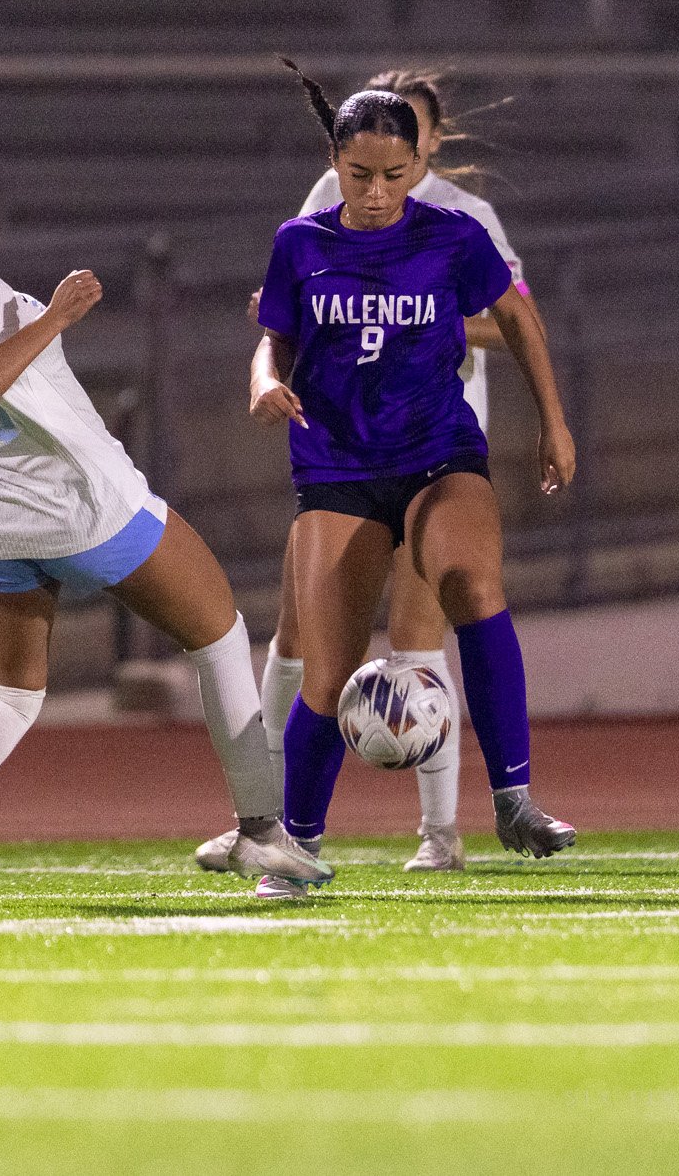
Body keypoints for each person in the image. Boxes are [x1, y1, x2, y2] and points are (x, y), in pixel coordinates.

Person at [0, 153, 329, 908]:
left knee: (10, 697)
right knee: (219, 632)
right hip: (85, 507)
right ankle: (259, 828)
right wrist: (55, 316)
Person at [247, 75, 578, 898]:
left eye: (395, 175)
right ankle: (294, 849)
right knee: (328, 673)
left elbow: (519, 316)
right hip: (337, 465)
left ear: (419, 163)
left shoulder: (455, 234)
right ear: (335, 160)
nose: (377, 192)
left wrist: (554, 420)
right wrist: (263, 381)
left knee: (474, 586)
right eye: (361, 174)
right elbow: (274, 338)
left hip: (437, 451)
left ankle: (513, 799)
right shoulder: (300, 241)